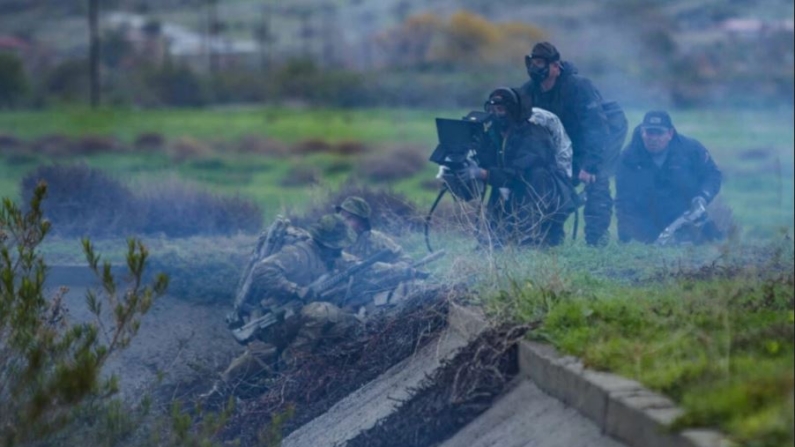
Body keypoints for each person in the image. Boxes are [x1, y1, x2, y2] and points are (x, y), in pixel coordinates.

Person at [218, 213, 360, 389]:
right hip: (277, 322)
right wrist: (295, 290)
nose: (340, 251)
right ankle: (290, 369)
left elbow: (355, 265)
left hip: (297, 319)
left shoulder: (332, 258)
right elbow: (262, 271)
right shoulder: (298, 253)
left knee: (348, 320)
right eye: (338, 247)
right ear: (325, 243)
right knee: (322, 311)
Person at [518, 42, 617, 246]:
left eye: (540, 63)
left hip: (590, 147)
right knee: (547, 187)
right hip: (556, 152)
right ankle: (551, 239)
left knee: (596, 185)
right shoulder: (528, 91)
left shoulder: (579, 87)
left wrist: (590, 165)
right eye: (533, 62)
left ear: (555, 67)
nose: (536, 68)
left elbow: (597, 127)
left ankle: (596, 243)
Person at [456, 87, 576, 247]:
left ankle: (533, 236)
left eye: (500, 109)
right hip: (511, 192)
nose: (495, 114)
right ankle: (498, 236)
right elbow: (490, 163)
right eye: (491, 109)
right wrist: (470, 154)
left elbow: (517, 173)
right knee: (496, 242)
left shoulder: (533, 135)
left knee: (535, 175)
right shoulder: (494, 135)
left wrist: (484, 174)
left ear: (513, 110)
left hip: (541, 192)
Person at [615, 110, 723, 244]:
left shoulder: (691, 149)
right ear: (643, 132)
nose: (653, 138)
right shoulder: (628, 157)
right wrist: (625, 235)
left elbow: (712, 174)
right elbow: (623, 199)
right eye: (649, 132)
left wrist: (702, 197)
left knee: (711, 239)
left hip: (686, 215)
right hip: (647, 220)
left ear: (670, 133)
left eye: (659, 133)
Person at [335, 196, 410, 265]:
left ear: (362, 221)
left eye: (349, 218)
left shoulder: (377, 239)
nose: (344, 222)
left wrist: (384, 269)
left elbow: (407, 260)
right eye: (341, 218)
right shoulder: (336, 246)